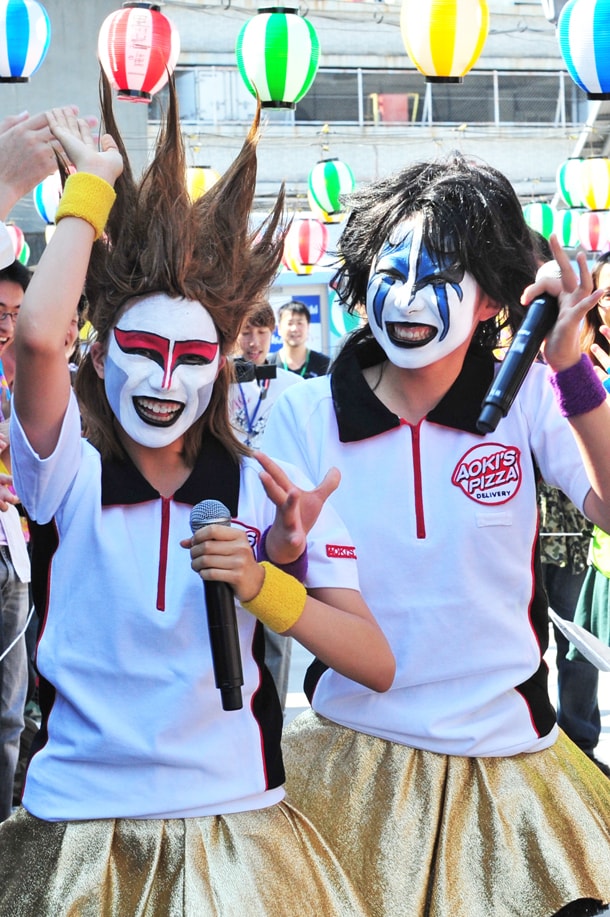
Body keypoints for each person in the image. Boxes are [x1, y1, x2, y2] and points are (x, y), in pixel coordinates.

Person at [0, 84, 395, 917]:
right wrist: (91, 189)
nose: (164, 379)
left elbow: (373, 661)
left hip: (234, 827)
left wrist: (267, 583)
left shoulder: (265, 481)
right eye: (142, 350)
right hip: (80, 822)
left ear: (220, 363)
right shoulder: (66, 463)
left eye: (191, 356)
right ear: (100, 349)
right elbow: (37, 336)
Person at [263, 154, 610, 916]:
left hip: (512, 759)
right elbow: (270, 573)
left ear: (490, 299)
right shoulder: (303, 411)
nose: (411, 295)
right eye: (393, 269)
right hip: (348, 758)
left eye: (441, 273)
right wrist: (277, 547)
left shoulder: (530, 397)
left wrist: (573, 369)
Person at [230, 301, 303, 709]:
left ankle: (272, 712)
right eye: (245, 331)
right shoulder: (216, 383)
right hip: (230, 511)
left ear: (272, 333)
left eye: (261, 332)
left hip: (274, 514)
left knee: (278, 618)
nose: (253, 342)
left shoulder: (292, 387)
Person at [0, 261, 31, 821]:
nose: (6, 325)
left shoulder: (24, 377)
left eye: (17, 314)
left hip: (17, 553)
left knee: (8, 715)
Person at [267, 299, 331, 378]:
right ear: (279, 328)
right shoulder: (268, 365)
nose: (295, 328)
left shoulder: (324, 364)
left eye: (299, 323)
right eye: (290, 323)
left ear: (308, 327)